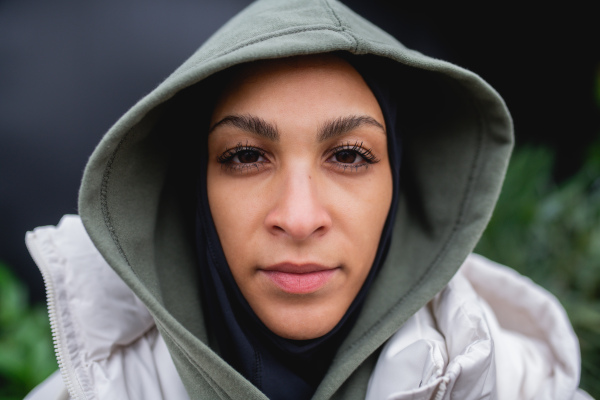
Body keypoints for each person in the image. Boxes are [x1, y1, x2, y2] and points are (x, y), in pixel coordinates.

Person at [24, 0, 590, 399]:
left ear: (402, 185)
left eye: (349, 155)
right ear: (194, 188)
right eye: (246, 156)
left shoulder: (521, 388)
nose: (298, 219)